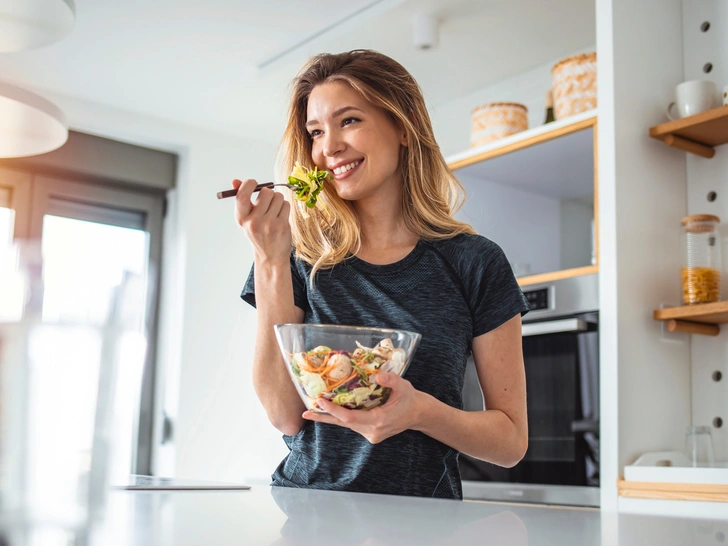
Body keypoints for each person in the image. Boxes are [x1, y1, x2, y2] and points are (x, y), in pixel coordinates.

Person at [234, 49, 529, 500]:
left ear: (403, 126)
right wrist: (270, 259)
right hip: (310, 512)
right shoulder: (295, 255)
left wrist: (419, 412)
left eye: (349, 120)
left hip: (424, 522)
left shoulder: (476, 263)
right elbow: (284, 414)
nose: (328, 147)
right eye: (316, 132)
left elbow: (510, 443)